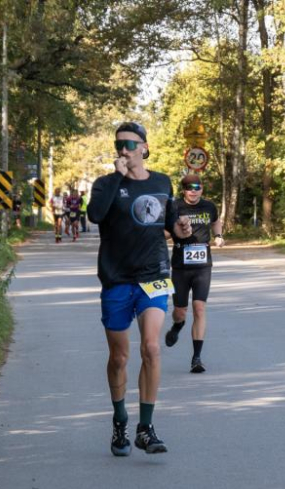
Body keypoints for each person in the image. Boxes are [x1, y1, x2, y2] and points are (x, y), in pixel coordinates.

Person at [87, 121, 192, 456]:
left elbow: (170, 222)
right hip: (117, 279)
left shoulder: (162, 182)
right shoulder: (105, 184)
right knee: (119, 357)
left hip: (153, 275)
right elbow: (95, 215)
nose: (123, 150)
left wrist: (181, 228)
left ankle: (145, 428)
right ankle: (120, 419)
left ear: (144, 148)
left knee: (151, 348)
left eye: (130, 144)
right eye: (118, 144)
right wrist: (116, 177)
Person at [164, 173, 224, 373]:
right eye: (189, 188)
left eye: (197, 187)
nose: (193, 191)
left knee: (199, 308)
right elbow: (164, 232)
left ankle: (196, 358)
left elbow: (216, 221)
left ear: (202, 189)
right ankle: (177, 326)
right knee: (180, 311)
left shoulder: (209, 206)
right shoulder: (174, 207)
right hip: (180, 265)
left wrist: (218, 235)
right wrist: (174, 231)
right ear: (184, 190)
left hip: (203, 265)